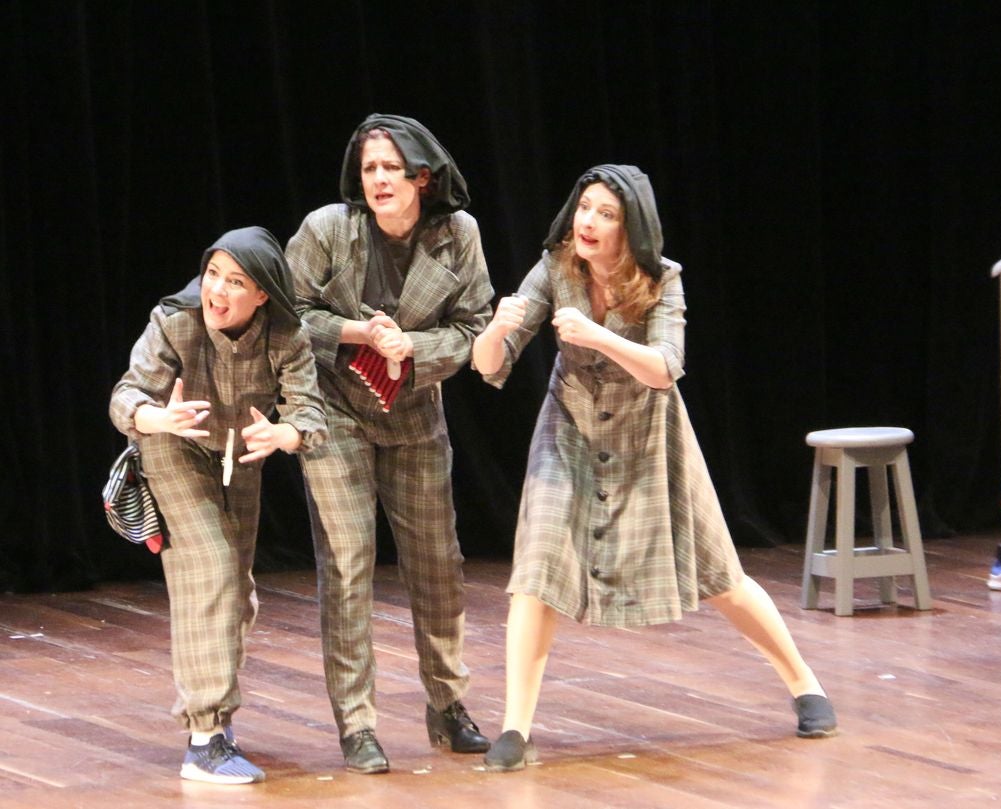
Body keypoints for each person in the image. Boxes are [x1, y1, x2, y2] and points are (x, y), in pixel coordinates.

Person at [472, 165, 838, 771]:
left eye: (606, 214)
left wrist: (596, 335)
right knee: (536, 570)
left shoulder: (663, 281)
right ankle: (515, 727)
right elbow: (489, 366)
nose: (588, 222)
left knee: (719, 572)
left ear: (631, 228)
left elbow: (665, 367)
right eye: (584, 207)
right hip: (570, 430)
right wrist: (497, 328)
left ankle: (806, 684)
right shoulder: (555, 267)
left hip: (648, 433)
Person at [285, 114, 494, 774]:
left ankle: (448, 703)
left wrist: (416, 348)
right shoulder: (327, 230)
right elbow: (287, 315)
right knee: (348, 561)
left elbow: (476, 328)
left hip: (412, 417)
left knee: (438, 561)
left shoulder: (456, 235)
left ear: (421, 179)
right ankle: (357, 722)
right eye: (368, 168)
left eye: (390, 169)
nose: (376, 179)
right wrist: (355, 333)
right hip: (336, 412)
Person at [109, 227, 328, 784]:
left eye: (236, 281)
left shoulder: (286, 334)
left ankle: (216, 720)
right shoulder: (176, 320)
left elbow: (311, 416)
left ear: (262, 296)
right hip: (172, 451)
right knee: (210, 569)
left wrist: (287, 435)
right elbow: (126, 395)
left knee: (236, 588)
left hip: (239, 460)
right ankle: (204, 739)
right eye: (213, 274)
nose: (217, 291)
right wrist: (155, 418)